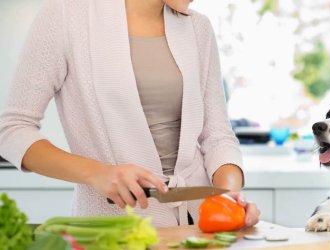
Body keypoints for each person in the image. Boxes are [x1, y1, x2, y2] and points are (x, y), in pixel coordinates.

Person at [0, 0, 260, 227]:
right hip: (112, 230)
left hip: (199, 224)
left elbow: (217, 136)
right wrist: (97, 173)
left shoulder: (198, 28)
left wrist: (228, 196)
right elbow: (12, 129)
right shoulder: (67, 15)